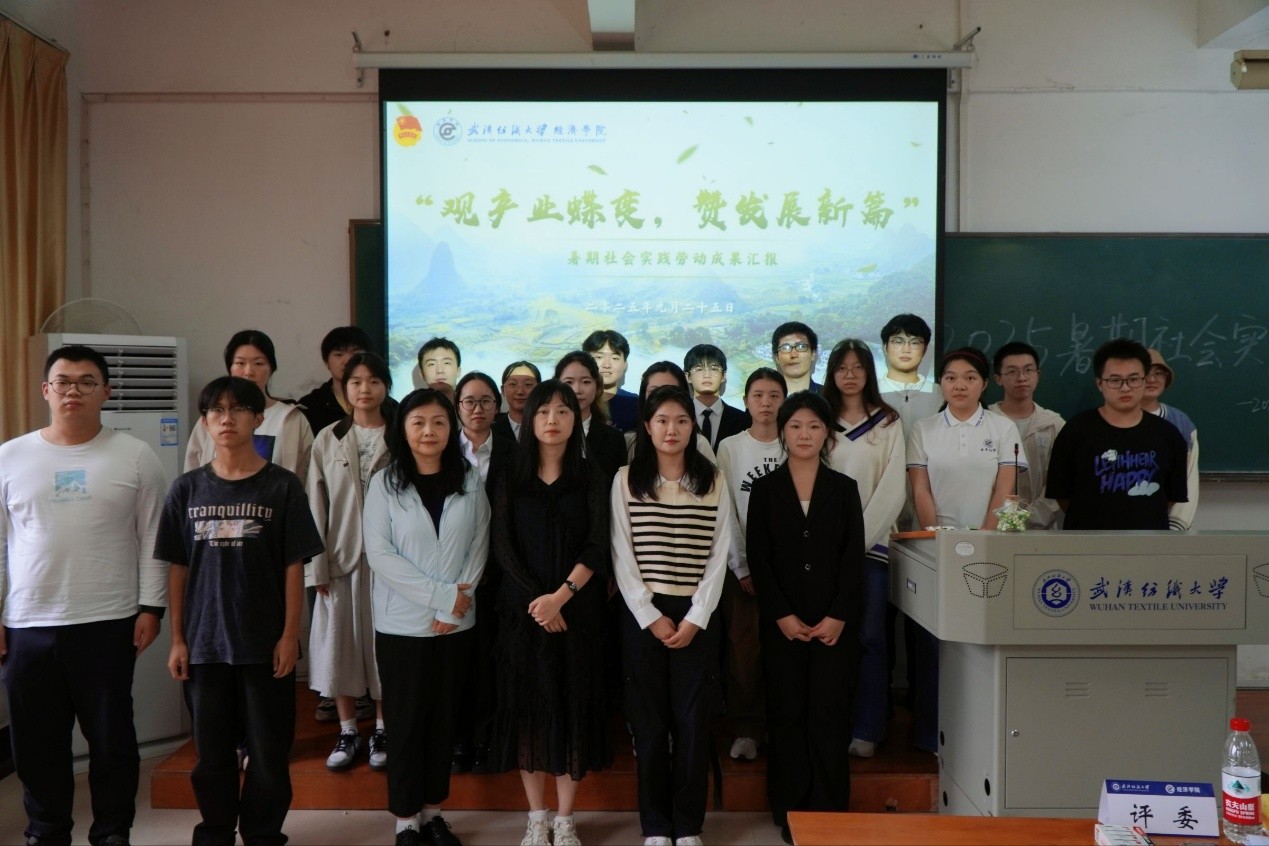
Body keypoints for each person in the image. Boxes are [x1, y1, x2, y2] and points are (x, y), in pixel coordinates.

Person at [0, 345, 168, 846]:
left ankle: (112, 834)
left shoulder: (135, 455)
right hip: (27, 625)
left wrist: (152, 607)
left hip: (108, 620)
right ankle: (45, 832)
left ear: (106, 392)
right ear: (46, 390)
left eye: (86, 381)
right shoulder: (10, 456)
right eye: (63, 381)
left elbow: (154, 538)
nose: (73, 390)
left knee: (113, 743)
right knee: (36, 745)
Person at [158, 375, 323, 846]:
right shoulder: (186, 489)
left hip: (265, 644)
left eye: (238, 410)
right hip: (205, 644)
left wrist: (289, 636)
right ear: (205, 422)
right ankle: (214, 833)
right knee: (211, 756)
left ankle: (263, 835)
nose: (226, 419)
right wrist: (178, 639)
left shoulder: (282, 486)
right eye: (216, 411)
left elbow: (294, 565)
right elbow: (177, 568)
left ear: (257, 418)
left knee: (269, 754)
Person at [362, 388, 488, 846]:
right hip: (402, 625)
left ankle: (433, 813)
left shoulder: (469, 478)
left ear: (451, 427)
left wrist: (454, 606)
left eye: (438, 422)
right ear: (403, 429)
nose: (428, 431)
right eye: (418, 422)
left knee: (443, 722)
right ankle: (406, 820)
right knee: (405, 723)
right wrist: (442, 599)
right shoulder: (384, 483)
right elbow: (380, 554)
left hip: (456, 625)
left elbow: (480, 543)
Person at [611, 385, 734, 846]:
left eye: (681, 420)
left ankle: (688, 825)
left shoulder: (713, 480)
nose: (672, 429)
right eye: (662, 420)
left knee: (693, 723)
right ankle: (656, 826)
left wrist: (698, 615)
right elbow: (621, 552)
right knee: (649, 725)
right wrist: (649, 613)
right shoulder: (626, 479)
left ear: (692, 427)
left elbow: (721, 551)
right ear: (647, 426)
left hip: (697, 615)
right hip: (644, 614)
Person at [491, 381, 612, 846]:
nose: (553, 420)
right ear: (529, 419)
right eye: (543, 411)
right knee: (528, 712)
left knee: (571, 707)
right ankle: (536, 816)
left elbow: (597, 544)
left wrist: (561, 596)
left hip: (576, 614)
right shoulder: (510, 473)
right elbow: (502, 545)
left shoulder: (590, 474)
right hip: (522, 615)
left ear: (575, 419)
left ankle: (565, 818)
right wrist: (539, 603)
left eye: (563, 411)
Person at [746, 391, 865, 846]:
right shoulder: (765, 489)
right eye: (795, 426)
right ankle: (791, 811)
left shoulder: (844, 488)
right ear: (782, 432)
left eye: (814, 426)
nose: (804, 434)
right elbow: (759, 557)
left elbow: (852, 559)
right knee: (787, 714)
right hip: (784, 625)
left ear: (827, 434)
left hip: (834, 624)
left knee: (830, 713)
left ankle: (831, 812)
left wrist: (839, 615)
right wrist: (781, 614)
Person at [906, 347, 1024, 753]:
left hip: (988, 553)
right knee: (931, 644)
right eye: (951, 377)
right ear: (941, 383)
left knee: (979, 643)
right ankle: (929, 735)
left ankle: (977, 737)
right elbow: (920, 489)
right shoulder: (923, 429)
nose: (960, 385)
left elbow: (1005, 488)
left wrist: (983, 540)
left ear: (984, 383)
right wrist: (939, 538)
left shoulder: (1003, 428)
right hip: (933, 549)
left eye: (970, 377)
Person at [305, 352, 394, 773]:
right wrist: (316, 566)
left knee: (383, 646)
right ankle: (346, 729)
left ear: (386, 386)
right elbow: (315, 505)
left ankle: (382, 728)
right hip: (340, 558)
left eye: (374, 380)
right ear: (344, 387)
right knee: (338, 644)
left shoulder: (401, 433)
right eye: (356, 381)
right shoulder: (328, 437)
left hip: (389, 563)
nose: (364, 389)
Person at [820, 339, 906, 760]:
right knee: (828, 639)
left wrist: (856, 543)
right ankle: (832, 724)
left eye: (858, 367)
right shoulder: (818, 421)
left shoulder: (887, 422)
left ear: (869, 372)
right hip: (823, 551)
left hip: (871, 550)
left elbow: (893, 489)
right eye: (842, 367)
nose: (850, 375)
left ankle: (868, 727)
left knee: (870, 637)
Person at [714, 368, 788, 762]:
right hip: (742, 570)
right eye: (758, 395)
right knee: (744, 651)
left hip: (790, 569)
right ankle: (746, 728)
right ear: (745, 401)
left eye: (774, 395)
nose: (766, 403)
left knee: (787, 649)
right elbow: (725, 509)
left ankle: (783, 725)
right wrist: (741, 565)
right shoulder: (730, 447)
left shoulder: (797, 440)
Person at [1046, 339, 1188, 531]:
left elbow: (1171, 496)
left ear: (1144, 381)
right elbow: (1062, 495)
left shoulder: (1168, 434)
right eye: (1115, 380)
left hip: (1149, 541)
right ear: (1099, 383)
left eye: (1133, 379)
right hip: (1086, 541)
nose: (1125, 388)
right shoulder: (1075, 431)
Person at [450, 372, 516, 776]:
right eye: (469, 401)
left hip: (499, 576)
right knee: (457, 662)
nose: (477, 409)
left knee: (492, 662)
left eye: (486, 401)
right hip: (451, 576)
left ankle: (487, 740)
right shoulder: (442, 449)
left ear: (497, 406)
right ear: (457, 406)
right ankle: (458, 740)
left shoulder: (513, 452)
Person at [185, 330, 314, 486]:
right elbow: (192, 475)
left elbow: (308, 477)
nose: (248, 372)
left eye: (258, 363)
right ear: (230, 368)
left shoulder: (292, 419)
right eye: (240, 363)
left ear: (271, 369)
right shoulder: (212, 418)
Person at [989, 341, 1065, 529]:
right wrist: (1000, 518)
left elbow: (1060, 482)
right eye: (1012, 371)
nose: (1021, 377)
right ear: (998, 378)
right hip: (991, 526)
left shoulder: (1054, 424)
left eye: (1028, 370)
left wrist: (1026, 519)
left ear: (1038, 375)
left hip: (1042, 530)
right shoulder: (986, 421)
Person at [1142, 348, 1199, 530]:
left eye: (1159, 373)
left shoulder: (1180, 423)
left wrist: (1175, 528)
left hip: (1166, 529)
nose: (1152, 379)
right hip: (1115, 528)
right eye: (1146, 372)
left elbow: (1189, 479)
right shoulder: (1110, 421)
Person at [555, 350, 627, 482]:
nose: (577, 390)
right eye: (569, 382)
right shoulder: (544, 432)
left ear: (598, 387)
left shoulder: (614, 438)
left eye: (586, 382)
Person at [622, 362, 716, 463]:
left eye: (671, 391)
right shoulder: (629, 441)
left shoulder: (700, 444)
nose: (662, 399)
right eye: (654, 391)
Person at [297, 325, 373, 436]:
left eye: (356, 354)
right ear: (326, 362)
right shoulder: (309, 406)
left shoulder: (387, 407)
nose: (347, 361)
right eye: (339, 354)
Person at [878, 313, 942, 436]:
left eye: (915, 343)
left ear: (925, 350)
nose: (906, 349)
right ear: (885, 347)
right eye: (898, 342)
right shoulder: (871, 393)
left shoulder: (940, 394)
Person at [683, 343, 748, 451]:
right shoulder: (678, 418)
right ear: (688, 376)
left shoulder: (743, 420)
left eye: (713, 369)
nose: (707, 375)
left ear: (723, 376)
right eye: (699, 369)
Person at [583, 329, 638, 432]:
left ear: (625, 364)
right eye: (599, 357)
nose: (607, 365)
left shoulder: (635, 404)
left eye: (615, 358)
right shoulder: (575, 401)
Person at [492, 361, 541, 443]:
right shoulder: (491, 431)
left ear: (539, 389)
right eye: (513, 384)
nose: (520, 392)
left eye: (528, 384)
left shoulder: (548, 427)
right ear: (503, 390)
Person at [770, 322, 821, 394]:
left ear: (813, 354)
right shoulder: (766, 398)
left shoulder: (830, 396)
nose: (793, 355)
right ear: (776, 357)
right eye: (785, 348)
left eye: (801, 347)